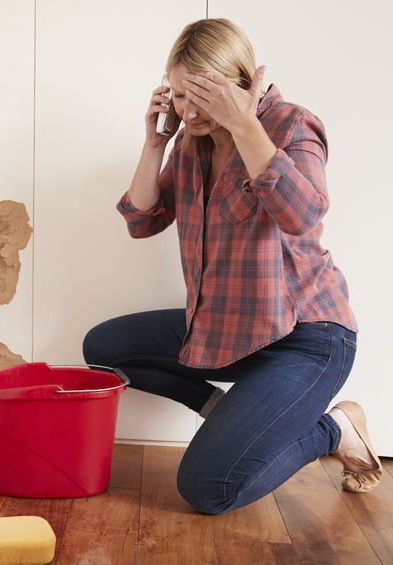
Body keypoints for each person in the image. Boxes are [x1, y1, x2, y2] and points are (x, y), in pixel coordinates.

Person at [82, 18, 383, 515]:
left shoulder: (291, 124)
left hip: (308, 338)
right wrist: (156, 142)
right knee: (106, 348)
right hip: (230, 328)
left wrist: (245, 124)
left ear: (242, 83)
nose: (192, 110)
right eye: (181, 95)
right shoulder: (189, 144)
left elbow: (303, 213)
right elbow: (141, 220)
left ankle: (336, 430)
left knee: (207, 489)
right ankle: (225, 412)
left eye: (205, 94)